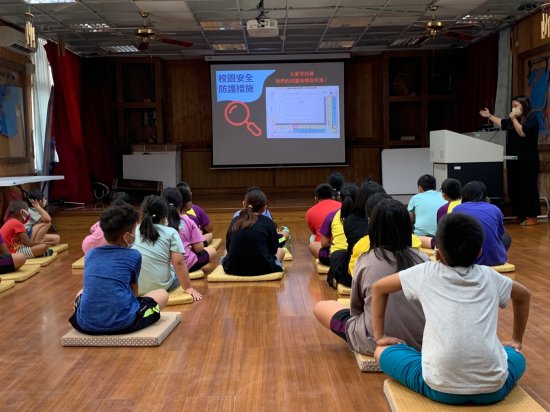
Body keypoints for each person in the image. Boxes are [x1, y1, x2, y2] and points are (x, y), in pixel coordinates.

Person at [371, 213, 530, 405]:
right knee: (517, 355)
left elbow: (378, 288)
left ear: (438, 254)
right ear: (479, 252)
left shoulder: (426, 273)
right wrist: (516, 339)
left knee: (381, 351)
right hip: (492, 391)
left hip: (440, 390)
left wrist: (379, 336)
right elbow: (524, 295)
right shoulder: (490, 276)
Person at [313, 198, 427, 356]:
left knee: (321, 307)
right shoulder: (423, 259)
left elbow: (356, 308)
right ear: (408, 227)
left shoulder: (366, 260)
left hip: (376, 341)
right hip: (421, 341)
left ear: (372, 226)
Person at [69, 204, 169, 335]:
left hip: (85, 324)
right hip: (124, 323)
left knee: (81, 292)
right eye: (134, 230)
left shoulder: (90, 254)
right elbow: (134, 291)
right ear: (126, 236)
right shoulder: (134, 255)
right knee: (162, 294)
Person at [480, 96, 540, 226]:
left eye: (516, 106)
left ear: (524, 105)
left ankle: (532, 216)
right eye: (512, 106)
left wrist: (513, 119)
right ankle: (520, 214)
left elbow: (523, 133)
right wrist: (489, 116)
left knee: (528, 187)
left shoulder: (532, 118)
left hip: (527, 160)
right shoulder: (513, 120)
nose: (514, 108)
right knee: (514, 187)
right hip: (513, 159)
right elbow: (502, 122)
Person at [132, 195, 202, 300]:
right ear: (165, 215)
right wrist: (188, 288)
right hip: (162, 288)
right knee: (174, 270)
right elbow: (179, 263)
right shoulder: (171, 232)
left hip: (135, 288)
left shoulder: (133, 231)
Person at [223, 189, 285, 276]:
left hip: (232, 269)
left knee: (225, 252)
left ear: (244, 204)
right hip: (263, 269)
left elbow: (228, 247)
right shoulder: (268, 222)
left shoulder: (235, 221)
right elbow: (273, 250)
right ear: (264, 207)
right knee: (281, 251)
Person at [453, 181, 510, 266]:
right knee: (506, 238)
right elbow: (500, 235)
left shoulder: (457, 209)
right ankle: (495, 254)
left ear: (465, 195)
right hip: (496, 260)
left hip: (466, 260)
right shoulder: (495, 209)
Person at [164, 187, 216, 273]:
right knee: (212, 251)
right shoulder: (187, 221)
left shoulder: (158, 221)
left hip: (163, 266)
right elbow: (199, 248)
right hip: (184, 265)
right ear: (181, 204)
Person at [307, 183, 341, 258]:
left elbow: (314, 232)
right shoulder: (342, 206)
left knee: (312, 239)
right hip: (343, 246)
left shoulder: (310, 212)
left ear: (316, 198)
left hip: (326, 250)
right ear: (333, 196)